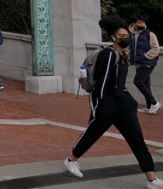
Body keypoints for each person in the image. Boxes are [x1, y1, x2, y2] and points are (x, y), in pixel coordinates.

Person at [64, 15, 163, 188]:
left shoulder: (123, 55)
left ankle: (151, 179)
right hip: (106, 102)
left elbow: (119, 82)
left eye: (127, 36)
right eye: (122, 37)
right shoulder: (109, 54)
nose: (125, 39)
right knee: (92, 133)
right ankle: (71, 160)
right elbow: (101, 83)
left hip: (122, 103)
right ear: (113, 37)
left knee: (137, 139)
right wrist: (102, 106)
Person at [129, 14, 160, 114]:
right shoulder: (133, 34)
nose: (142, 24)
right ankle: (149, 107)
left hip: (147, 62)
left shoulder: (149, 34)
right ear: (134, 24)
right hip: (138, 63)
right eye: (139, 22)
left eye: (143, 22)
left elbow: (156, 48)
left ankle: (154, 103)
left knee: (138, 81)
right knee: (146, 84)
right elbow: (131, 48)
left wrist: (145, 56)